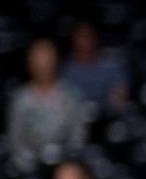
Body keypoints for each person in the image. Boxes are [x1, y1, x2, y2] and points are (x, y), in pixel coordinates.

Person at [6, 38, 88, 166]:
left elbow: (78, 136)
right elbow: (15, 139)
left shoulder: (70, 95)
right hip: (29, 166)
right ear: (30, 63)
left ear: (56, 60)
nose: (43, 64)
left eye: (47, 58)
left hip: (65, 164)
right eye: (38, 59)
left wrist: (66, 159)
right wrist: (30, 163)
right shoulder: (20, 99)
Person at [63, 21, 129, 109]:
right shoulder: (64, 69)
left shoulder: (111, 67)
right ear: (73, 39)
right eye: (81, 36)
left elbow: (120, 98)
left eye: (88, 36)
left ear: (95, 38)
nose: (85, 41)